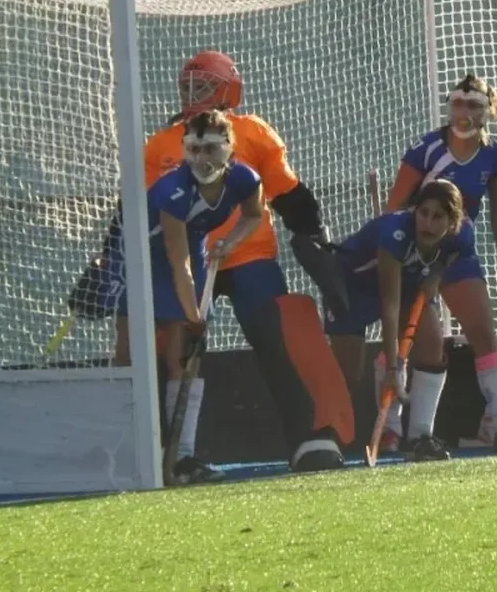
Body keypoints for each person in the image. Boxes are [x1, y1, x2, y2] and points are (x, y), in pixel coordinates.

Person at [101, 50, 354, 474]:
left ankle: (313, 434)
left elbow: (289, 196)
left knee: (283, 327)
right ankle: (164, 451)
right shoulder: (160, 145)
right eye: (188, 86)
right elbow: (135, 210)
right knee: (170, 345)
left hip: (249, 256)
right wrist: (110, 256)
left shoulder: (252, 133)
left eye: (203, 85)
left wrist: (318, 243)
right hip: (183, 257)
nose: (192, 94)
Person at [384, 73, 497, 453]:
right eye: (457, 104)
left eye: (474, 106)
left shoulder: (494, 156)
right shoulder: (427, 149)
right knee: (407, 339)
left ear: (488, 111)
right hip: (415, 252)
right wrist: (393, 253)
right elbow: (395, 205)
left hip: (457, 252)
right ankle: (392, 427)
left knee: (483, 333)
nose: (463, 113)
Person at [137, 110, 264, 484]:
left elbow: (253, 215)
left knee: (183, 358)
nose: (201, 159)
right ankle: (132, 451)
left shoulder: (244, 179)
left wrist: (230, 243)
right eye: (193, 150)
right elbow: (178, 264)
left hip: (191, 249)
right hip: (141, 254)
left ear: (229, 148)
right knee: (130, 351)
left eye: (210, 149)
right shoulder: (173, 192)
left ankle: (182, 457)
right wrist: (195, 318)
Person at [326, 179, 475, 462]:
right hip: (351, 283)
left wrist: (436, 275)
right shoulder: (395, 235)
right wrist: (393, 368)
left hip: (408, 280)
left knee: (432, 345)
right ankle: (327, 436)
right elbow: (390, 304)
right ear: (414, 211)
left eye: (438, 217)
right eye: (424, 213)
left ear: (452, 222)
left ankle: (420, 436)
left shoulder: (463, 235)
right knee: (348, 371)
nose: (427, 223)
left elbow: (449, 257)